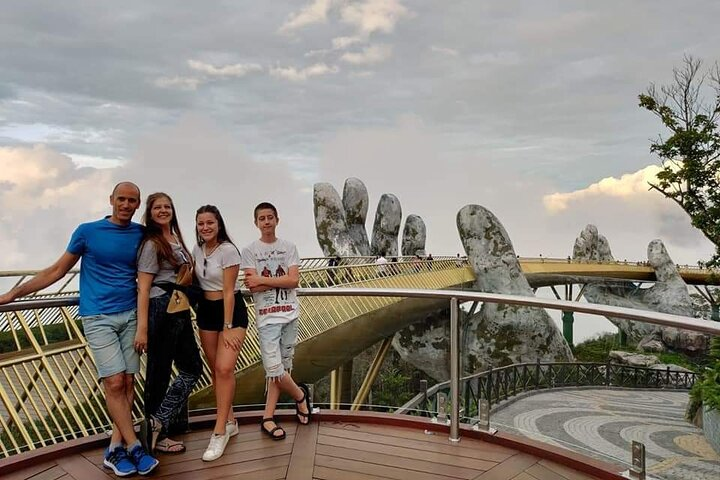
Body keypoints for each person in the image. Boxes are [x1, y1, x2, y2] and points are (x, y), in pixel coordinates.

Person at [0, 182, 158, 477]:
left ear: (138, 206)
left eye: (132, 201)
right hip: (97, 317)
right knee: (113, 383)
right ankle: (135, 445)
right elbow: (56, 271)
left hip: (131, 316)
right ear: (111, 199)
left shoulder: (141, 234)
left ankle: (115, 448)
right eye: (121, 199)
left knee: (127, 382)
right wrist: (13, 294)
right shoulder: (87, 231)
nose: (126, 205)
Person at [136, 193, 202, 455]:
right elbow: (143, 288)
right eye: (157, 207)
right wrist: (143, 328)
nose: (163, 210)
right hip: (160, 308)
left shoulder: (175, 239)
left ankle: (158, 422)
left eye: (167, 206)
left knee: (192, 368)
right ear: (150, 213)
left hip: (178, 307)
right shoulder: (151, 244)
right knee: (158, 372)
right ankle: (158, 431)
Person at [241, 202, 311, 441]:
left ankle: (267, 417)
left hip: (290, 313)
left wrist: (263, 280)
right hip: (267, 317)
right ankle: (300, 396)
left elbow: (293, 281)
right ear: (256, 223)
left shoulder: (289, 247)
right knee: (274, 368)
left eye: (270, 217)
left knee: (282, 367)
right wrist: (276, 280)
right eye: (262, 218)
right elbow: (252, 287)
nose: (267, 222)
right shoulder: (249, 250)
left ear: (277, 220)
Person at [193, 205, 248, 462]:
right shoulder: (197, 249)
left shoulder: (228, 250)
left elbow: (228, 292)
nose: (205, 227)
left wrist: (227, 327)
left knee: (225, 368)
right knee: (215, 368)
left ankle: (219, 431)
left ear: (219, 224)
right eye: (201, 223)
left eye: (210, 223)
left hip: (230, 312)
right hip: (205, 311)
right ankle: (231, 420)